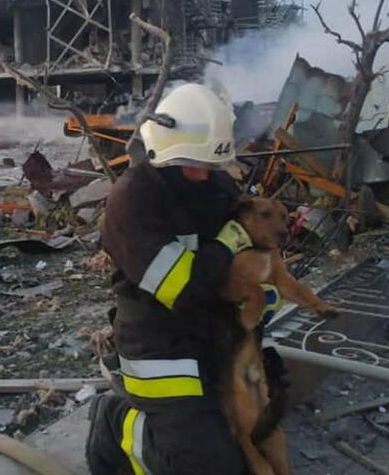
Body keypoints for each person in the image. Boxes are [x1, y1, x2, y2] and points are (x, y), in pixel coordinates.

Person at [85, 83, 260, 475]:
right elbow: (179, 288)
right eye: (192, 164)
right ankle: (117, 424)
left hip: (212, 332)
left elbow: (249, 261)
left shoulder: (215, 184)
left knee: (254, 433)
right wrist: (229, 244)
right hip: (158, 347)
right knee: (206, 467)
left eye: (211, 165)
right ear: (162, 151)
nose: (202, 175)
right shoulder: (134, 199)